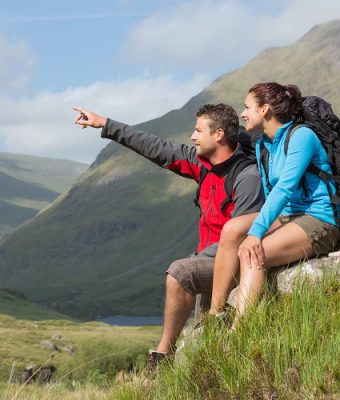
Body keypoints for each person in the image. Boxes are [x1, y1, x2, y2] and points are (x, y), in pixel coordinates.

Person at [73, 103, 264, 367]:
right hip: (209, 263)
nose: (192, 136)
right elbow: (157, 148)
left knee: (180, 272)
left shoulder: (247, 177)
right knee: (208, 347)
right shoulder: (203, 165)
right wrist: (106, 124)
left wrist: (196, 260)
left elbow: (242, 238)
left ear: (219, 135)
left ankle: (162, 358)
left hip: (231, 265)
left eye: (198, 131)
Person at [209, 82, 340, 323]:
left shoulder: (302, 136)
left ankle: (240, 331)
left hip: (320, 218)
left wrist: (256, 233)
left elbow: (285, 187)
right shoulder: (263, 146)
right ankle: (215, 313)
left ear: (265, 109)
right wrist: (256, 228)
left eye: (247, 107)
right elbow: (271, 196)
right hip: (289, 217)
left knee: (252, 253)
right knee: (231, 229)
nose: (243, 114)